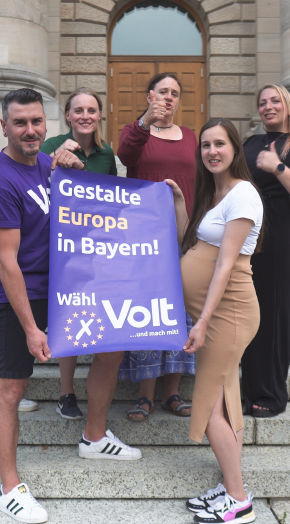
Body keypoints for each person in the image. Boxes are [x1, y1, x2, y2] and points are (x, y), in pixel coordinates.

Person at [0, 88, 142, 524]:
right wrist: (31, 328)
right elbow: (7, 265)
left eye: (36, 122)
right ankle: (9, 487)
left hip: (63, 287)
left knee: (112, 345)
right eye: (19, 123)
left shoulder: (43, 165)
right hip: (22, 296)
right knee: (11, 387)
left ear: (47, 125)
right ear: (4, 128)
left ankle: (94, 435)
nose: (29, 130)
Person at [168, 117, 264, 524]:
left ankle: (239, 501)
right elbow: (190, 242)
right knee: (225, 401)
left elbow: (224, 264)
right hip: (215, 314)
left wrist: (203, 320)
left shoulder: (243, 193)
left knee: (208, 406)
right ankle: (230, 485)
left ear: (235, 149)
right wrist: (177, 203)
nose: (211, 151)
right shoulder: (217, 193)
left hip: (229, 313)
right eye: (205, 145)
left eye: (219, 144)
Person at [116, 73, 196, 421]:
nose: (168, 98)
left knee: (180, 313)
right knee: (149, 314)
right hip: (142, 240)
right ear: (150, 96)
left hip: (183, 236)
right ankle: (144, 395)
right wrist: (147, 121)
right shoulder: (135, 132)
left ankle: (173, 392)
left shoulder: (192, 137)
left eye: (175, 93)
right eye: (162, 92)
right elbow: (125, 153)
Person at [240, 84, 290, 418]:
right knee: (247, 310)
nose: (268, 107)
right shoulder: (248, 143)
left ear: (287, 105)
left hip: (280, 231)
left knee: (275, 312)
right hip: (247, 228)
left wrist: (278, 167)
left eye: (275, 101)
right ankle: (245, 388)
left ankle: (271, 392)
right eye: (262, 102)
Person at [40, 87, 117, 421]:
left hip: (97, 247)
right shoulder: (50, 146)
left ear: (100, 116)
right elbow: (38, 182)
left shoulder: (106, 154)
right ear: (68, 116)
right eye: (78, 110)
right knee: (68, 316)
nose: (85, 116)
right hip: (63, 247)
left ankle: (97, 391)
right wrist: (61, 156)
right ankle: (66, 392)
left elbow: (114, 197)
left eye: (91, 110)